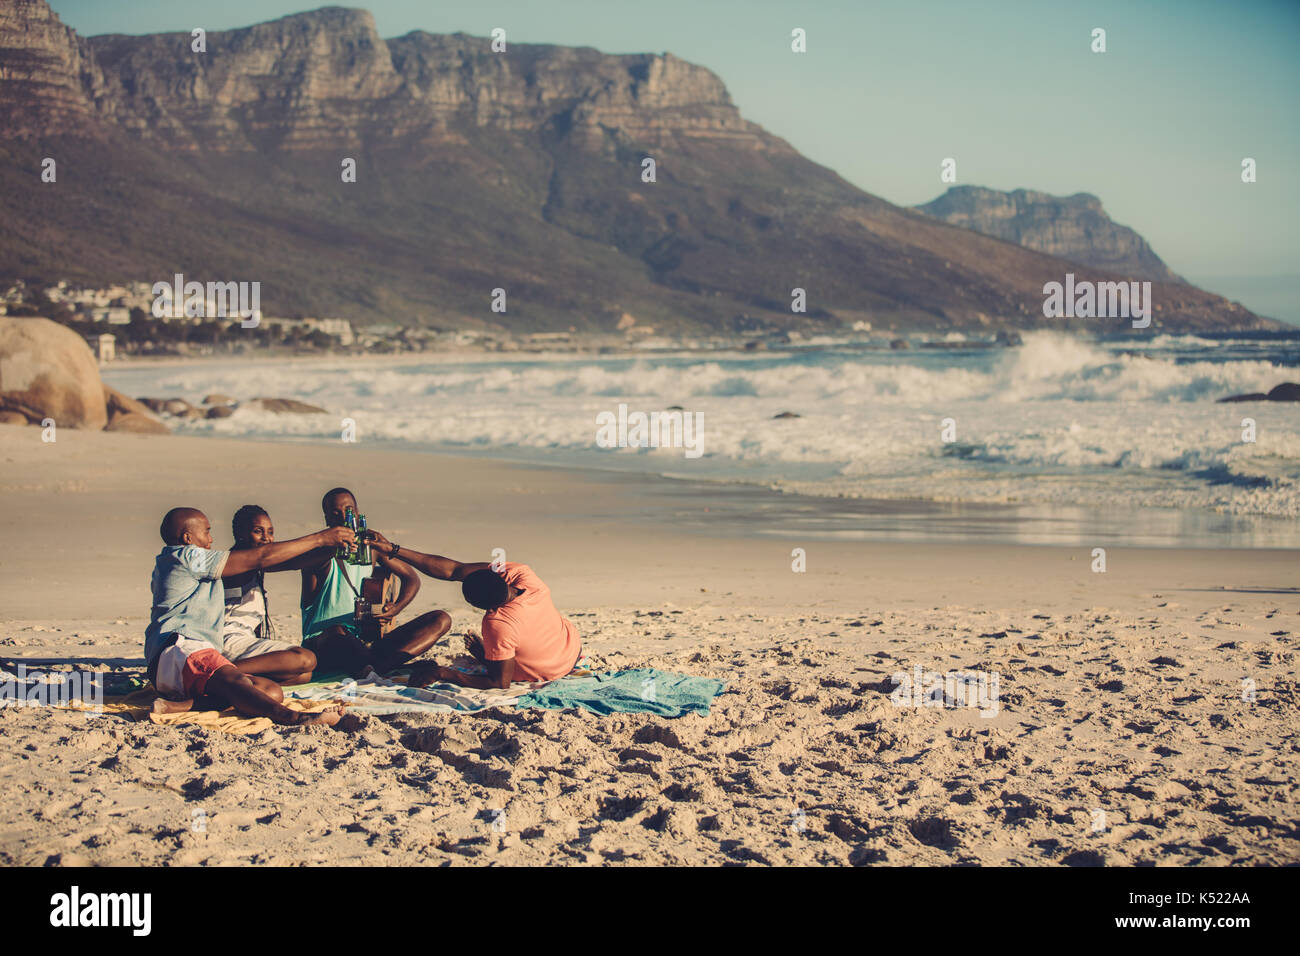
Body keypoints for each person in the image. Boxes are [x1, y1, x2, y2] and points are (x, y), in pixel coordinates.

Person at [145, 506, 351, 726]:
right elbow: (262, 557)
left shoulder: (182, 560)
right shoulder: (187, 557)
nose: (211, 539)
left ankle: (180, 705)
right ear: (188, 537)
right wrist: (321, 539)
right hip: (180, 650)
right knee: (235, 680)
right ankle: (295, 718)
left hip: (181, 664)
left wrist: (334, 545)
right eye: (206, 531)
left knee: (271, 691)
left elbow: (279, 560)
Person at [365, 532, 581, 689]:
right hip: (571, 650)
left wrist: (444, 673)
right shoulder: (523, 575)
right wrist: (393, 549)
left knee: (499, 660)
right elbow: (453, 570)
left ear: (486, 608)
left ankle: (489, 657)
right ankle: (490, 656)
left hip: (547, 673)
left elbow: (500, 683)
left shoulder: (498, 623)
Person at [299, 487, 450, 677]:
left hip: (365, 641)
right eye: (335, 513)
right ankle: (383, 666)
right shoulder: (318, 557)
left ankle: (375, 667)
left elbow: (411, 578)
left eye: (349, 511)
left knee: (440, 619)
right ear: (327, 519)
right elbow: (313, 556)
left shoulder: (371, 549)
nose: (344, 517)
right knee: (337, 632)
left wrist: (397, 607)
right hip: (324, 644)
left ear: (357, 513)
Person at [221, 504, 314, 686]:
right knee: (305, 659)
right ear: (241, 534)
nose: (267, 538)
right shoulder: (237, 562)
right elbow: (293, 561)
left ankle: (238, 680)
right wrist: (323, 542)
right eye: (258, 531)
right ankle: (220, 673)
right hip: (227, 641)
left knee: (302, 676)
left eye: (270, 532)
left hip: (243, 641)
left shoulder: (255, 566)